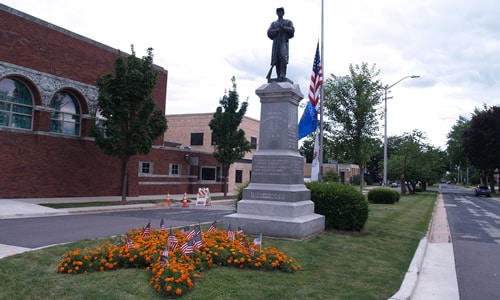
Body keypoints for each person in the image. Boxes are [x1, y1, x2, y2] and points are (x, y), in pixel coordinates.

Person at [267, 7, 294, 81]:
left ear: (283, 13)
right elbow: (269, 32)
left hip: (283, 41)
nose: (279, 13)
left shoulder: (288, 22)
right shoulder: (274, 23)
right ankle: (279, 75)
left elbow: (292, 30)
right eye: (278, 12)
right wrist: (277, 30)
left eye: (281, 11)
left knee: (283, 57)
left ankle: (282, 74)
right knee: (276, 59)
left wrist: (284, 28)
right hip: (276, 43)